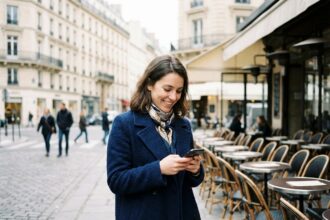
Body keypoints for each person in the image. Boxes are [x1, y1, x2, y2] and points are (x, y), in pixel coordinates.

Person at [107, 55, 204, 220]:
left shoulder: (183, 125)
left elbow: (191, 182)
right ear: (150, 84)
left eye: (179, 91)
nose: (173, 97)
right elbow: (116, 180)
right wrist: (158, 169)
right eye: (167, 89)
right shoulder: (124, 124)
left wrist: (195, 170)